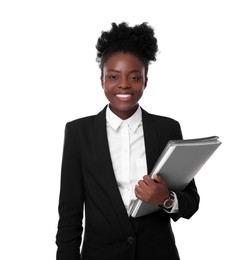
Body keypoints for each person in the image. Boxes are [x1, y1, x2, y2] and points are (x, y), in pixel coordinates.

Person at [56, 22, 200, 260]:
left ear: (145, 80)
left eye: (134, 77)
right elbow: (69, 215)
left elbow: (191, 202)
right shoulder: (78, 133)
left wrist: (165, 198)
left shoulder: (167, 129)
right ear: (102, 80)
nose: (124, 84)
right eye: (113, 76)